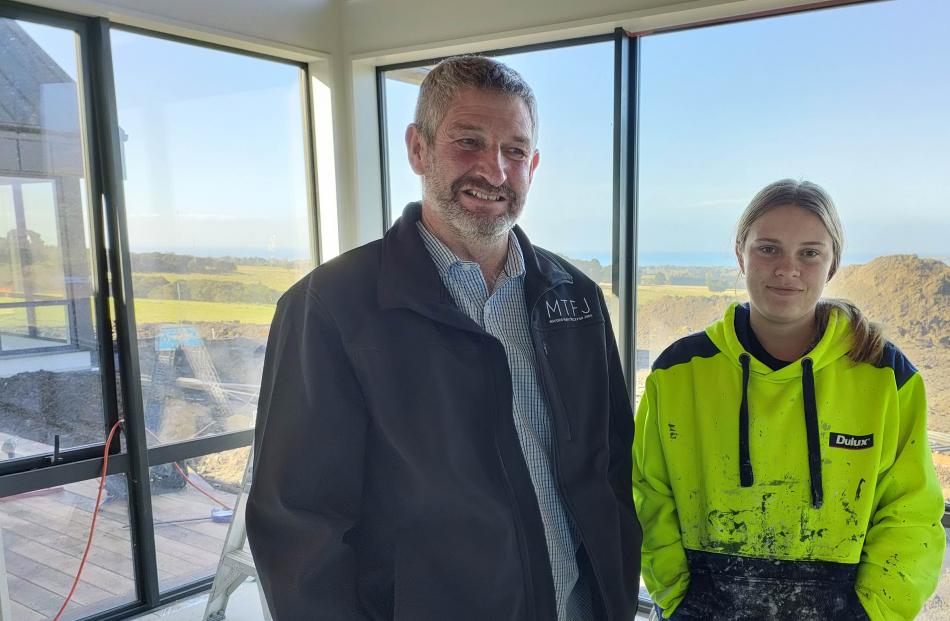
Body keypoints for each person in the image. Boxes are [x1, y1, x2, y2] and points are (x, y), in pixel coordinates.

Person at [247, 55, 641, 620]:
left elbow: (609, 472)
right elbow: (299, 527)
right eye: (469, 141)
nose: (494, 171)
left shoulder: (573, 298)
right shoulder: (331, 309)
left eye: (514, 151)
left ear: (534, 164)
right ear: (418, 149)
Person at [633, 179, 945, 620]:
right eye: (768, 249)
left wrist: (870, 612)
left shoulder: (885, 377)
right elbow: (649, 494)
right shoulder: (679, 372)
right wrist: (680, 597)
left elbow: (911, 514)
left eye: (810, 253)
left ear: (832, 264)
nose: (787, 269)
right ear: (740, 253)